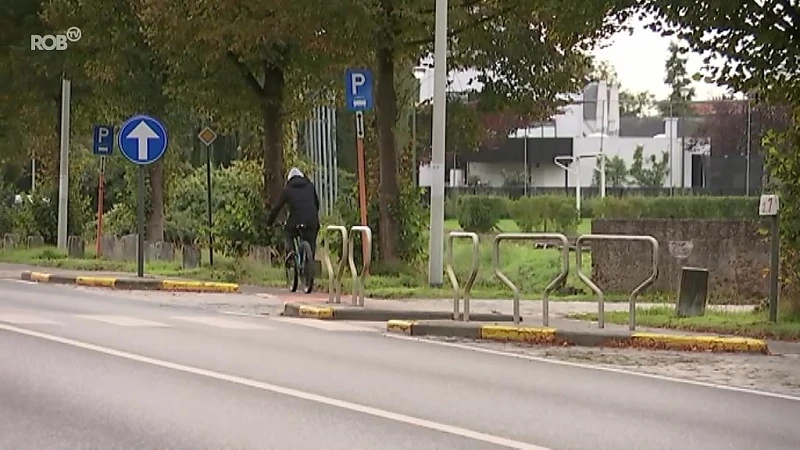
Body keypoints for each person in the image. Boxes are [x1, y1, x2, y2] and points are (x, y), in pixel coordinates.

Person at [265, 167, 321, 262]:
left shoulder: (287, 189)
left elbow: (277, 208)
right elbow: (317, 204)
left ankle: (290, 250)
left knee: (288, 232)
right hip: (312, 221)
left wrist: (269, 222)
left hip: (295, 221)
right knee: (311, 242)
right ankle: (310, 260)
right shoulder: (310, 186)